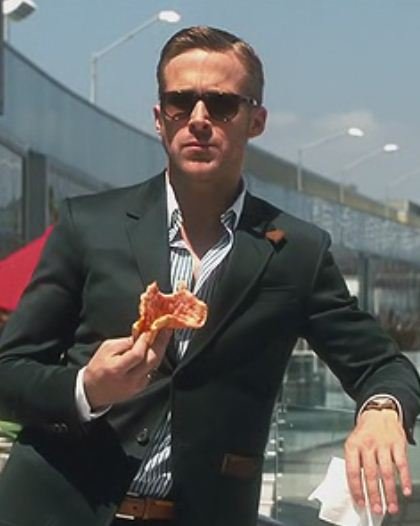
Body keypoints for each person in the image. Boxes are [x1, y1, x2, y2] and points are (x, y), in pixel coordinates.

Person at [0, 25, 419, 526]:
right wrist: (86, 388)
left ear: (255, 120)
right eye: (180, 102)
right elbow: (9, 370)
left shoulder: (297, 252)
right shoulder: (88, 225)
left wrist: (382, 411)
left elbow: (382, 365)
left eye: (221, 105)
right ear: (159, 118)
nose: (198, 119)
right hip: (57, 510)